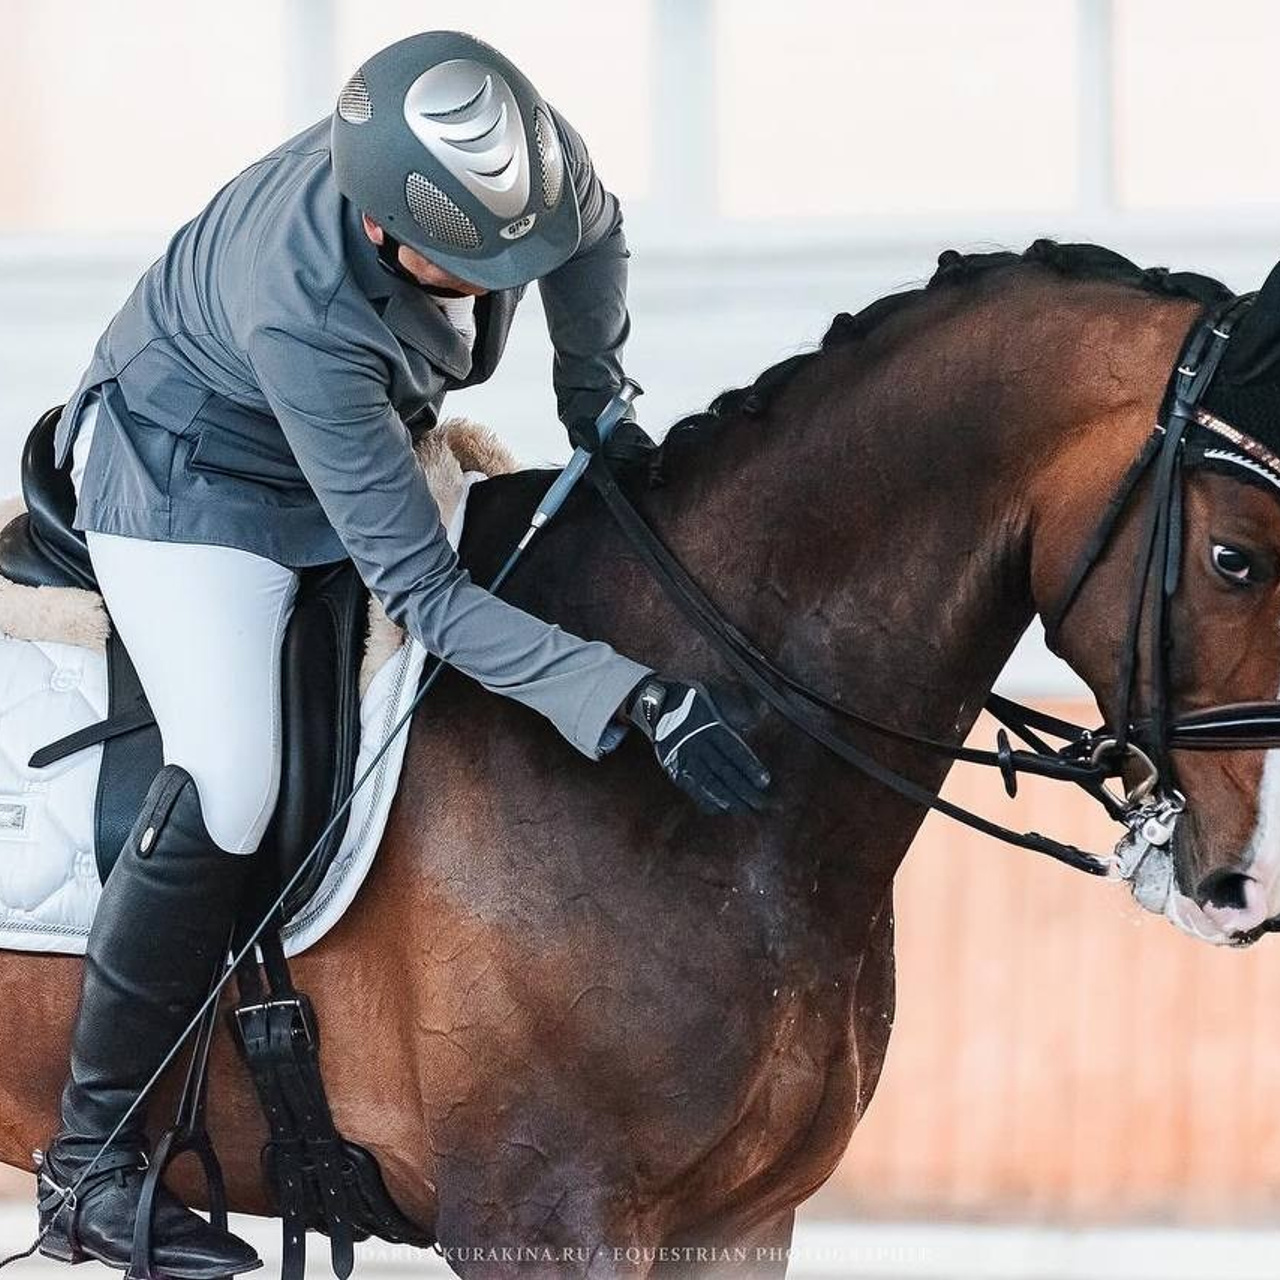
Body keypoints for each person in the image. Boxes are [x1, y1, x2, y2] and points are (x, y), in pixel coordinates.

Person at [33, 30, 771, 1277]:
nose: (489, 290)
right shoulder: (304, 304)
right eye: (466, 268)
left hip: (357, 443)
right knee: (232, 774)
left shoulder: (525, 171)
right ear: (381, 229)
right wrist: (631, 694)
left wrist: (597, 400)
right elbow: (423, 594)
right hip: (194, 478)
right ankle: (91, 1161)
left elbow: (588, 237)